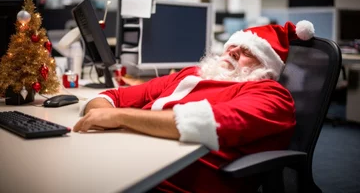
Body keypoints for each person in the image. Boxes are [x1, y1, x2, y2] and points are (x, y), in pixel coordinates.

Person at [74, 20, 315, 193]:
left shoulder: (272, 95)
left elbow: (203, 123)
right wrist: (103, 111)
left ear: (267, 67)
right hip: (132, 163)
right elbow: (112, 97)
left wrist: (120, 118)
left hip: (171, 183)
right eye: (233, 46)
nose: (232, 52)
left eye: (246, 52)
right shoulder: (192, 74)